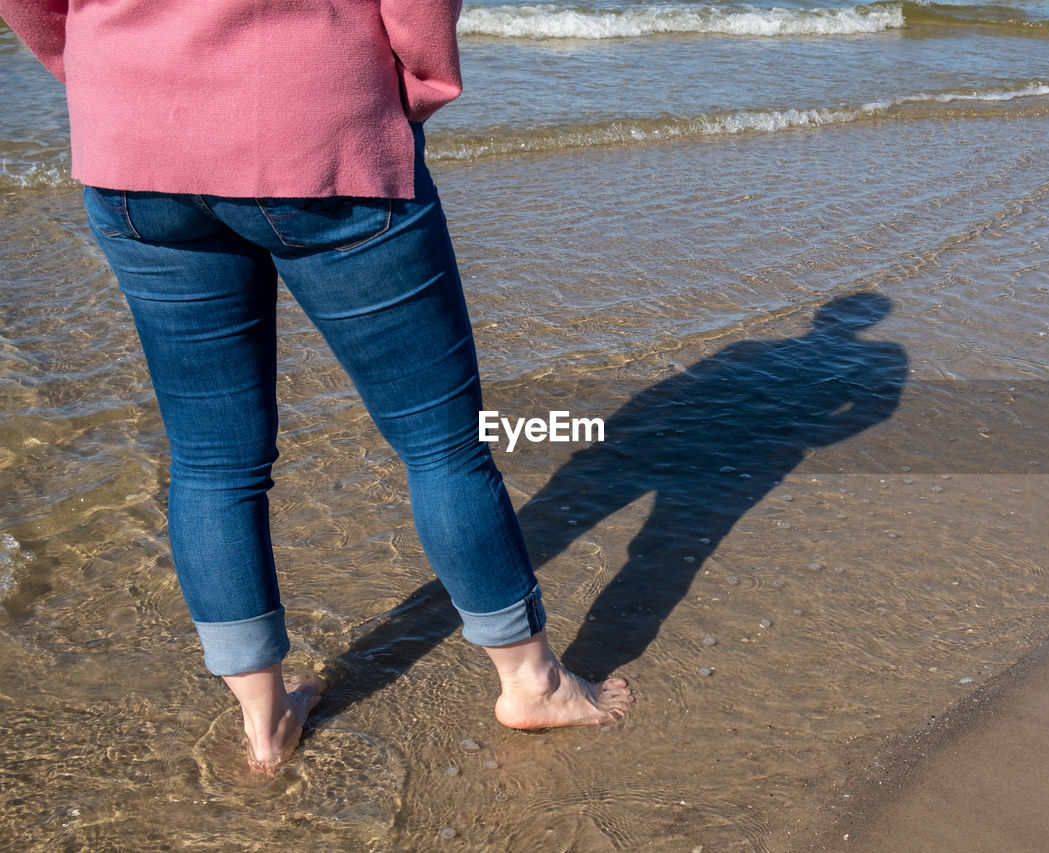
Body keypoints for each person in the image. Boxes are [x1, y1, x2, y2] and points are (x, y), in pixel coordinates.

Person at [0, 0, 633, 773]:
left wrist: (110, 72)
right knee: (442, 444)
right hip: (322, 128)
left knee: (213, 459)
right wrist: (415, 89)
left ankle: (265, 722)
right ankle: (531, 683)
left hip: (132, 140)